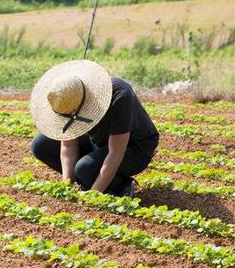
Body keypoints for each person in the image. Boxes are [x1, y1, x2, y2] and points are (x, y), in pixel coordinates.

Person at [29, 60, 159, 197]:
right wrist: (67, 185)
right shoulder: (66, 101)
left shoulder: (120, 95)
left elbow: (116, 153)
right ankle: (93, 178)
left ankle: (120, 186)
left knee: (84, 169)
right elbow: (68, 145)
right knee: (40, 144)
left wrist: (93, 194)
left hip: (133, 147)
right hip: (98, 141)